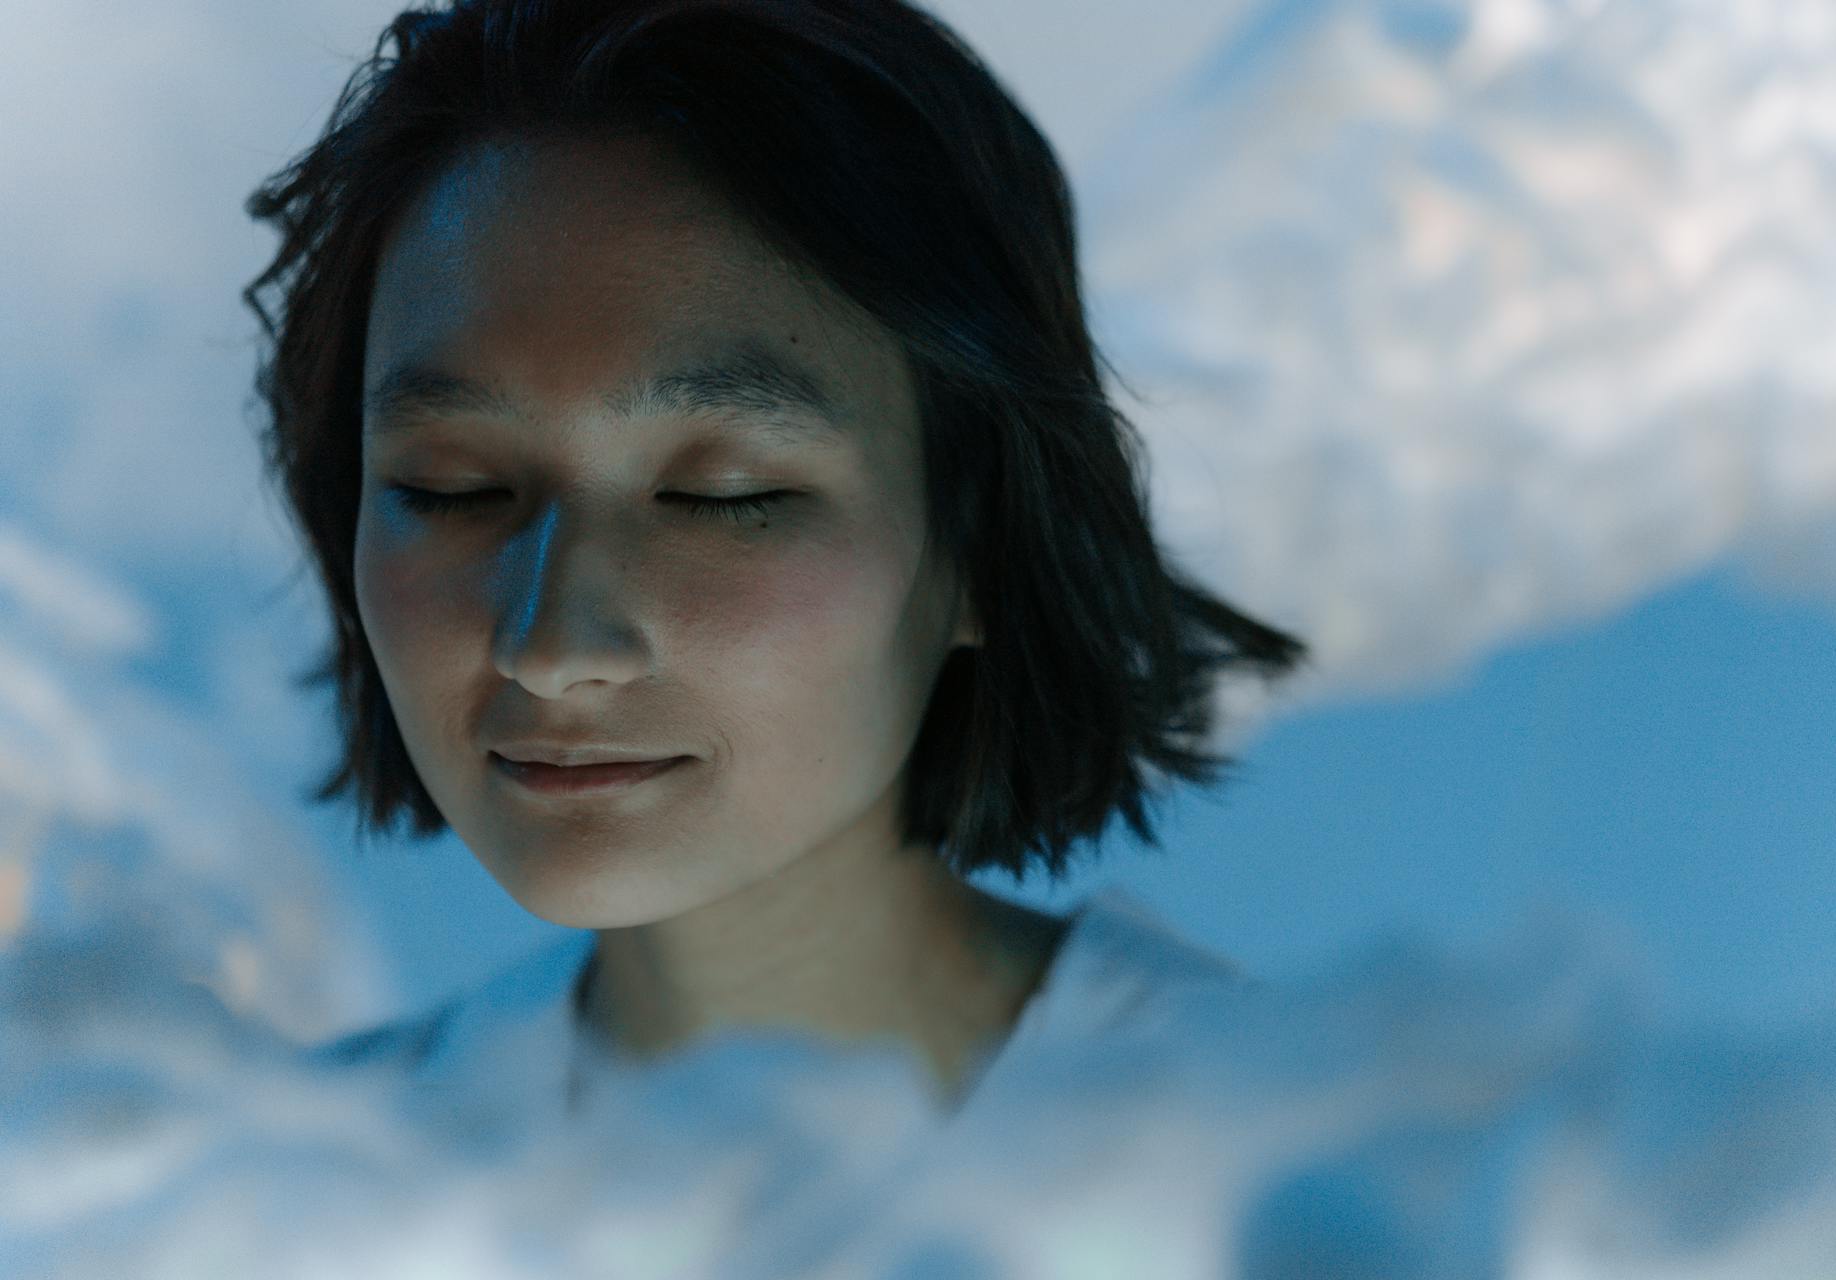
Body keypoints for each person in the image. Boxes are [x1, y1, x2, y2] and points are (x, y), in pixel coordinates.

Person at [242, 0, 1306, 1125]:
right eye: (452, 490)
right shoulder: (256, 1193)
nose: (552, 644)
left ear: (979, 540)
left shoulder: (1326, 1171)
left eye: (722, 498)